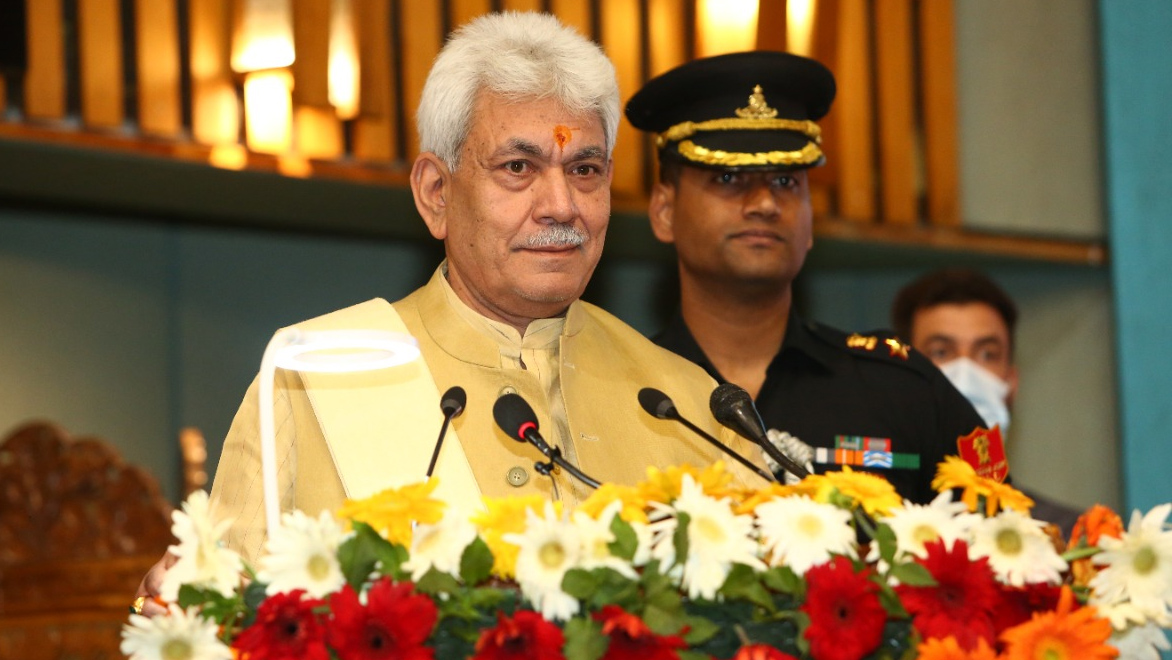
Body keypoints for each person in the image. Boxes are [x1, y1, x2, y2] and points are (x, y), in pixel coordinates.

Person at [132, 12, 768, 617]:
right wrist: (172, 604)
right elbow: (218, 619)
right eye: (518, 167)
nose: (561, 205)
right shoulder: (311, 379)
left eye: (585, 170)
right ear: (436, 193)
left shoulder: (690, 406)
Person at [625, 51, 985, 504]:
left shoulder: (903, 389)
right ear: (663, 211)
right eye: (729, 178)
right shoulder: (623, 394)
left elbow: (1002, 535)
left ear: (811, 220)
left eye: (786, 183)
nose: (764, 204)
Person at [892, 267, 1081, 534]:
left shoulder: (1068, 536)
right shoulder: (870, 532)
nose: (966, 374)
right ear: (901, 377)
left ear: (1012, 383)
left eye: (987, 354)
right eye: (941, 352)